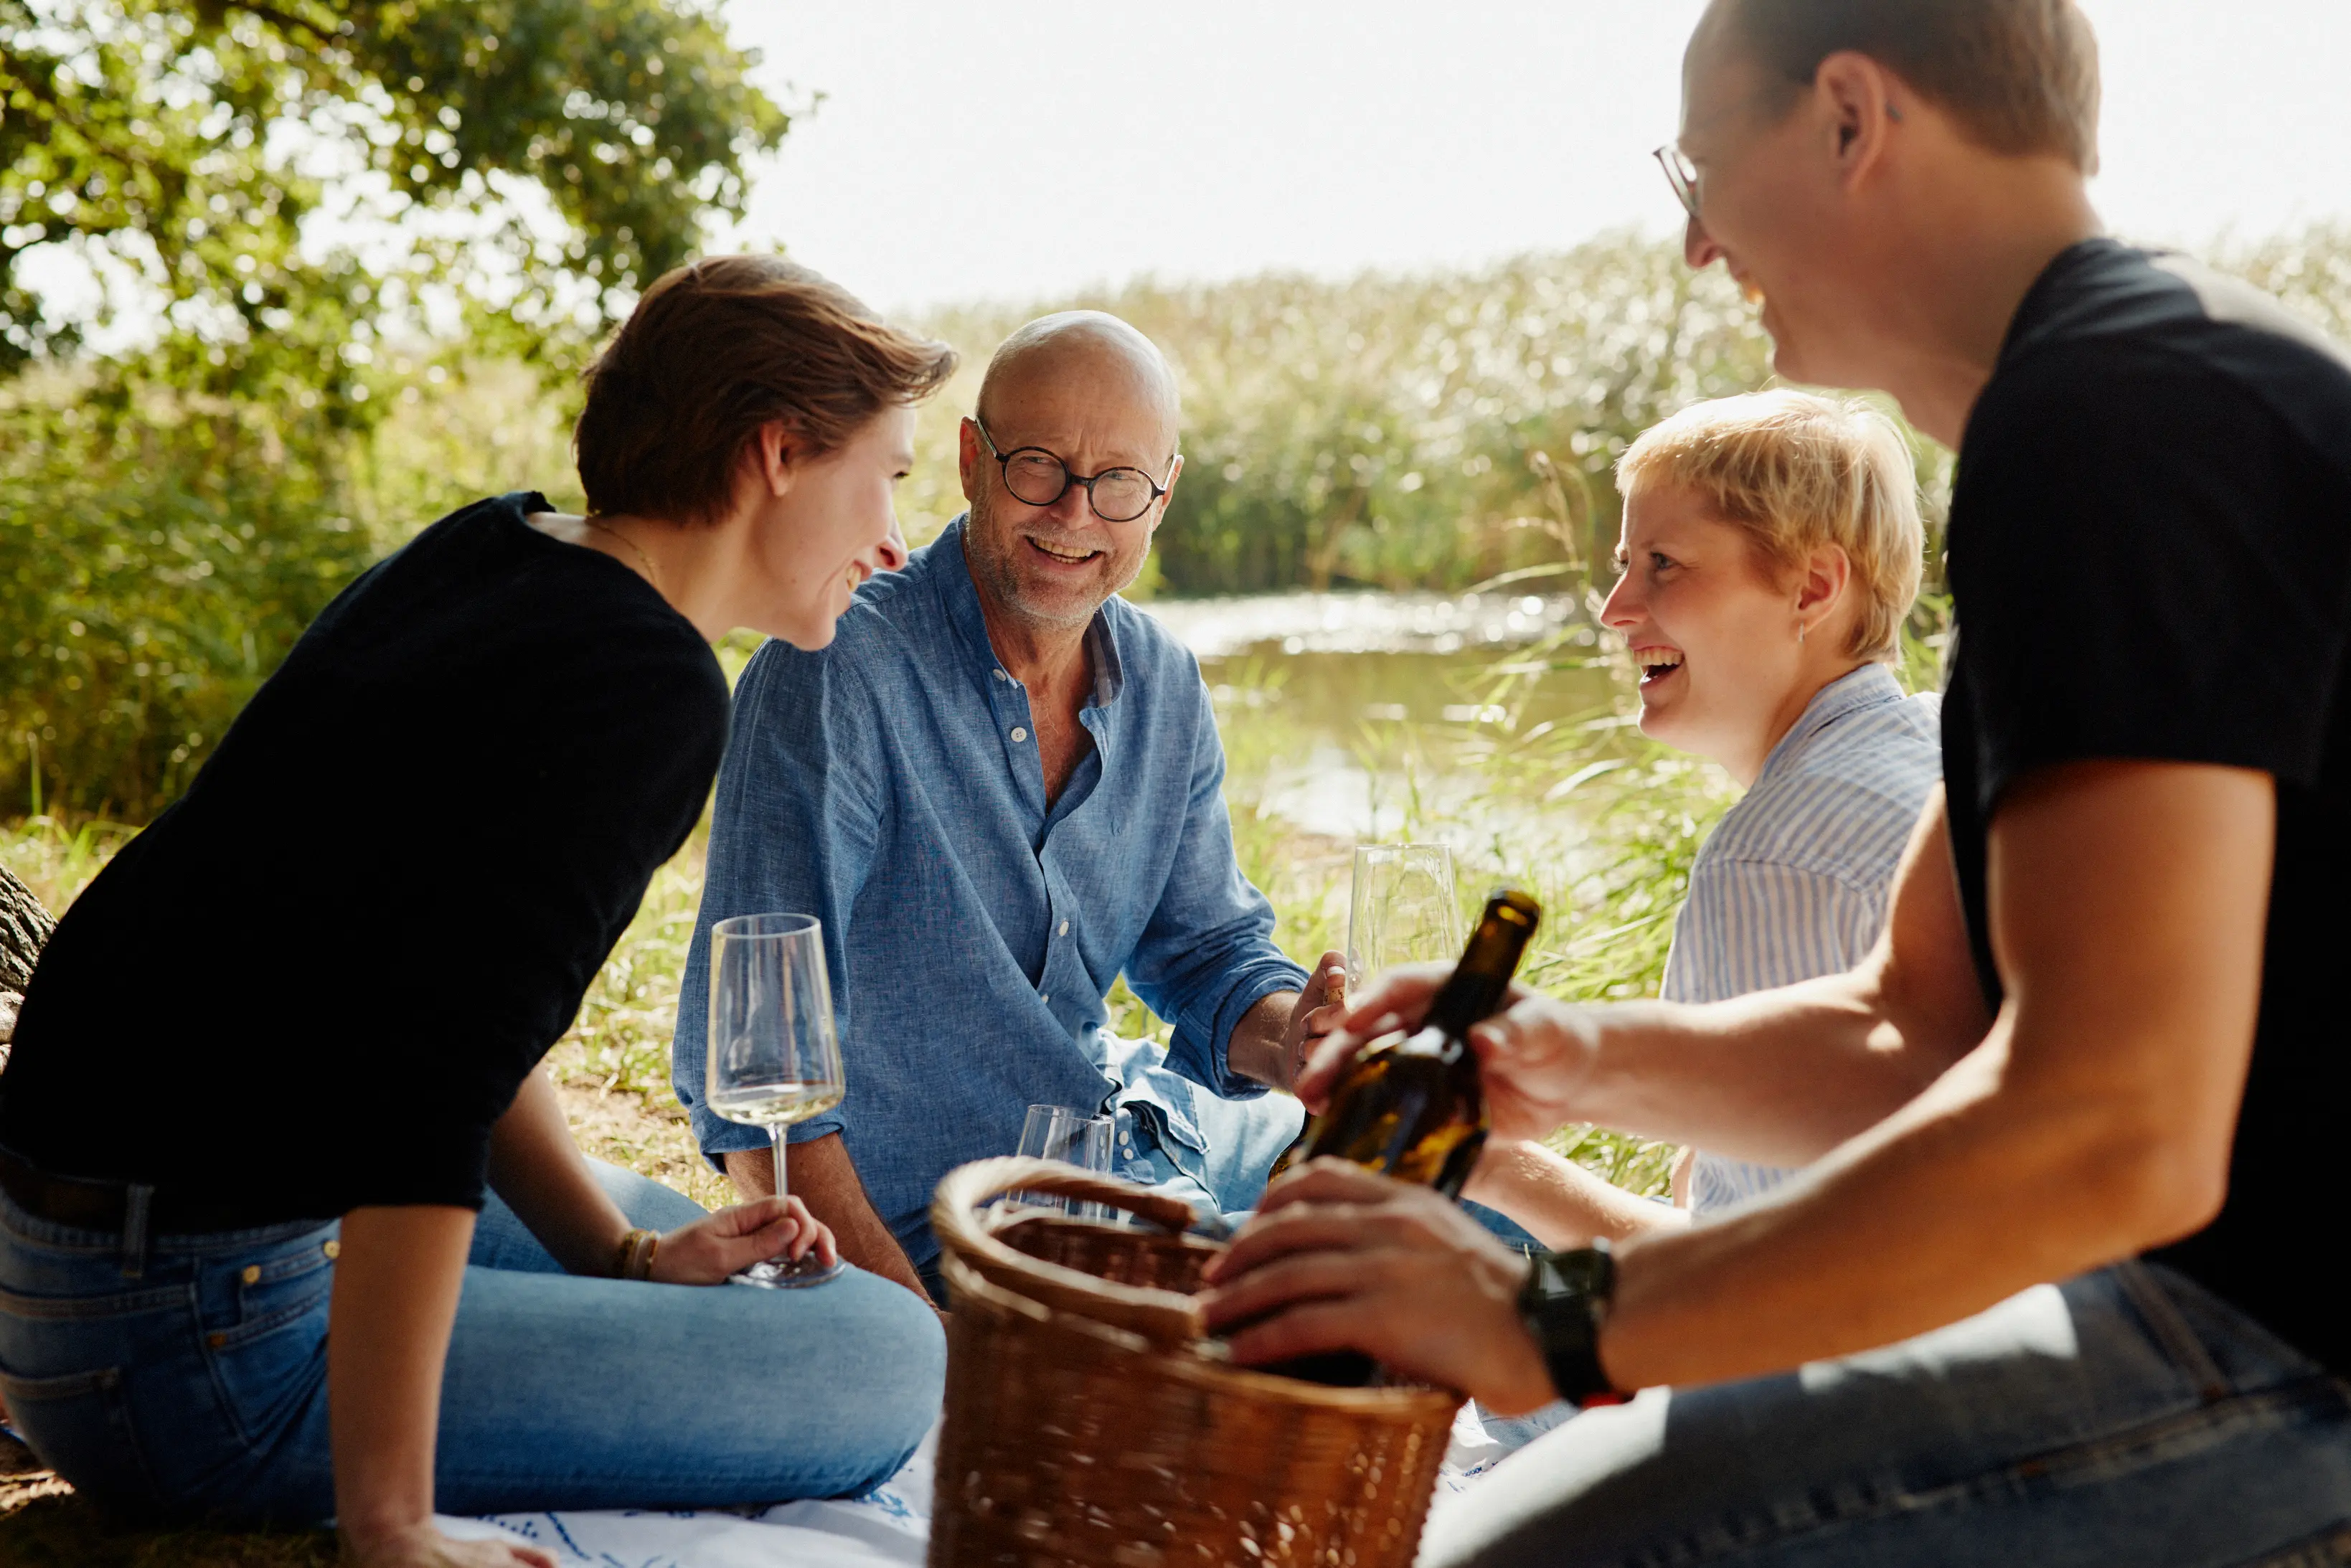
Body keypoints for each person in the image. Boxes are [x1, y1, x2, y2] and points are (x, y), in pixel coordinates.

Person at [1202, 1, 2351, 1562]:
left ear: (1849, 120)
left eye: (1698, 166)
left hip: (2277, 1351)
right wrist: (1569, 1056)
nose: (1693, 248)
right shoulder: (2100, 406)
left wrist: (1556, 1313)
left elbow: (2116, 1128)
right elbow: (1915, 1019)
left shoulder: (2123, 418)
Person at [0, 257, 957, 1568]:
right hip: (190, 1349)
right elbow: (427, 1094)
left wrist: (617, 1255)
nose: (894, 540)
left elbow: (444, 997)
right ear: (779, 452)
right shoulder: (650, 687)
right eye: (890, 476)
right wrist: (393, 1527)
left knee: (685, 1237)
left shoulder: (494, 547)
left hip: (78, 1268)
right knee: (882, 1358)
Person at [671, 311, 1344, 1304]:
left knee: (1467, 1189)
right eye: (1039, 466)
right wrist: (920, 1341)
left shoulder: (1162, 680)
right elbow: (758, 1088)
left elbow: (1206, 954)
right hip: (926, 1230)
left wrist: (1294, 1039)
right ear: (971, 460)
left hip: (1119, 1144)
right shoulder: (833, 671)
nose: (1075, 515)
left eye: (1116, 481)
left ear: (1164, 492)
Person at [1465, 389, 1938, 1249]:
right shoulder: (1937, 742)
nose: (1613, 607)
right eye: (1622, 562)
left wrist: (1492, 1164)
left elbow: (1746, 1285)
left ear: (1813, 586)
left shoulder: (1774, 859)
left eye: (1662, 563)